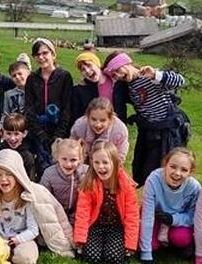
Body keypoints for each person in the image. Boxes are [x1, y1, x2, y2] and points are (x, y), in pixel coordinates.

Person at [103, 51, 188, 186]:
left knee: (168, 167)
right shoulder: (126, 86)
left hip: (168, 131)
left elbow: (180, 81)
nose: (118, 76)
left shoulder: (150, 76)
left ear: (126, 63)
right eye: (114, 75)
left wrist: (156, 75)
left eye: (117, 70)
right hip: (149, 131)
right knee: (144, 169)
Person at [0, 149, 74, 264]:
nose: (3, 179)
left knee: (26, 261)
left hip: (23, 239)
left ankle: (7, 257)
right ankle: (2, 256)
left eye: (9, 174)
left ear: (17, 175)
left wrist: (16, 241)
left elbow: (33, 229)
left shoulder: (26, 196)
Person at [73, 141, 140, 264]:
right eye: (96, 162)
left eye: (105, 162)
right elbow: (83, 213)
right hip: (95, 226)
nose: (101, 167)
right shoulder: (89, 183)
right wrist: (80, 239)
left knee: (113, 259)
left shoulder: (126, 185)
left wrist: (130, 244)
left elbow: (132, 216)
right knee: (91, 258)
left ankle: (109, 248)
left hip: (116, 227)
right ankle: (98, 247)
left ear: (114, 163)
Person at [139, 148, 201, 264]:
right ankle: (160, 241)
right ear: (165, 165)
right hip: (156, 216)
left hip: (177, 221)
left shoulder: (194, 188)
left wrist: (174, 219)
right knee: (150, 245)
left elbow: (193, 216)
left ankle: (172, 243)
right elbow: (147, 216)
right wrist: (146, 253)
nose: (177, 173)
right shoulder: (153, 179)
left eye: (184, 170)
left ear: (190, 172)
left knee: (181, 239)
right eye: (173, 167)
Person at [24, 38, 74, 170]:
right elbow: (29, 108)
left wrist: (59, 134)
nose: (41, 57)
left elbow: (67, 107)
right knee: (42, 167)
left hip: (59, 129)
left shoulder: (64, 76)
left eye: (45, 53)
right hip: (38, 130)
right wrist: (40, 134)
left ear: (53, 54)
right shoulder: (32, 79)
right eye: (37, 55)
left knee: (61, 166)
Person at [71, 51, 129, 127]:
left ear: (97, 64)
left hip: (117, 129)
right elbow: (77, 116)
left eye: (89, 65)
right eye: (83, 70)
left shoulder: (116, 80)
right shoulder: (81, 90)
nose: (87, 71)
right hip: (95, 130)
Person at [39, 138, 88, 226]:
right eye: (64, 159)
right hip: (56, 215)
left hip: (79, 214)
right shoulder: (49, 173)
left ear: (80, 159)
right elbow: (43, 199)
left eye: (73, 160)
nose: (68, 164)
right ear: (57, 157)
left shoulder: (86, 173)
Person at [69, 98, 129, 164]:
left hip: (108, 163)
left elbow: (119, 157)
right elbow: (71, 150)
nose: (98, 125)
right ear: (87, 117)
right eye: (94, 119)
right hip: (84, 160)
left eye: (103, 120)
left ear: (110, 119)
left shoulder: (120, 131)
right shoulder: (79, 126)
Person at [0, 113, 38, 181]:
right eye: (8, 133)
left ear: (24, 133)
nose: (12, 138)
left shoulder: (27, 156)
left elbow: (31, 179)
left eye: (16, 134)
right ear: (3, 132)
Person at [0, 55, 31, 131]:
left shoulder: (35, 91)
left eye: (20, 74)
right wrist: (1, 125)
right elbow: (5, 114)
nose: (17, 77)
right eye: (14, 76)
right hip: (15, 130)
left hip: (32, 130)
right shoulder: (8, 94)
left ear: (28, 73)